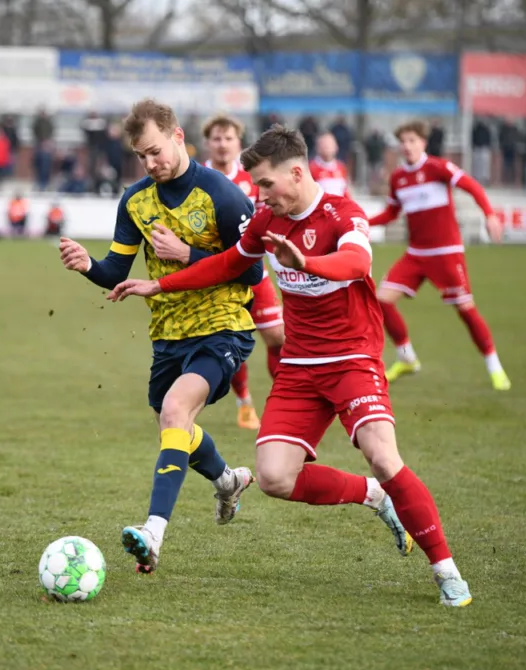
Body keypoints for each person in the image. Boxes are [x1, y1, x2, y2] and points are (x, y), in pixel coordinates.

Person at [109, 126, 473, 608]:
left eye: (264, 184)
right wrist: (159, 286)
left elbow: (356, 264)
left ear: (296, 173)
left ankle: (446, 570)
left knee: (384, 457)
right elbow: (227, 265)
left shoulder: (344, 214)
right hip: (300, 366)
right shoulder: (266, 221)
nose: (259, 195)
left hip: (353, 360)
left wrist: (307, 262)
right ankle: (374, 497)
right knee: (276, 478)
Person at [58, 99, 263, 574]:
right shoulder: (136, 200)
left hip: (222, 326)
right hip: (168, 332)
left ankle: (153, 531)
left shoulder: (223, 195)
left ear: (177, 137)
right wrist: (88, 266)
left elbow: (252, 272)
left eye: (155, 151)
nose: (151, 164)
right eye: (141, 156)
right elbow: (116, 270)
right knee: (174, 428)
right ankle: (228, 480)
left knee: (175, 410)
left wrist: (188, 254)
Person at [368, 121, 510, 391]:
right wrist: (363, 220)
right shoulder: (398, 178)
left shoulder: (438, 167)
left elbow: (471, 186)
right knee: (382, 299)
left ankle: (495, 367)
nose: (407, 146)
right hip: (416, 254)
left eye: (412, 140)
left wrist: (490, 214)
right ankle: (406, 357)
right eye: (403, 141)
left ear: (423, 142)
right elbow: (391, 214)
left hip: (446, 253)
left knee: (465, 310)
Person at [201, 114, 284, 430]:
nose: (222, 144)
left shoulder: (252, 178)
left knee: (277, 337)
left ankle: (281, 404)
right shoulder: (197, 178)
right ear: (208, 143)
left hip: (252, 270)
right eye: (217, 139)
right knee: (232, 344)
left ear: (239, 142)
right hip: (216, 277)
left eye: (229, 138)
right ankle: (245, 402)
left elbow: (268, 218)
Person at [309, 131, 350, 197]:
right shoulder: (310, 168)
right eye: (324, 144)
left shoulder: (341, 167)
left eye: (330, 144)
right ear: (317, 147)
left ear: (336, 147)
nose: (327, 147)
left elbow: (346, 191)